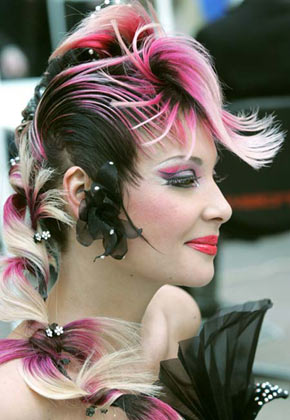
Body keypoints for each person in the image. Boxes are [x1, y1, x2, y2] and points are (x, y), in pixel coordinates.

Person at [0, 1, 286, 419]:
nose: (222, 208)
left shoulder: (176, 317)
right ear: (84, 193)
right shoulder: (18, 403)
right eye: (183, 179)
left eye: (213, 177)